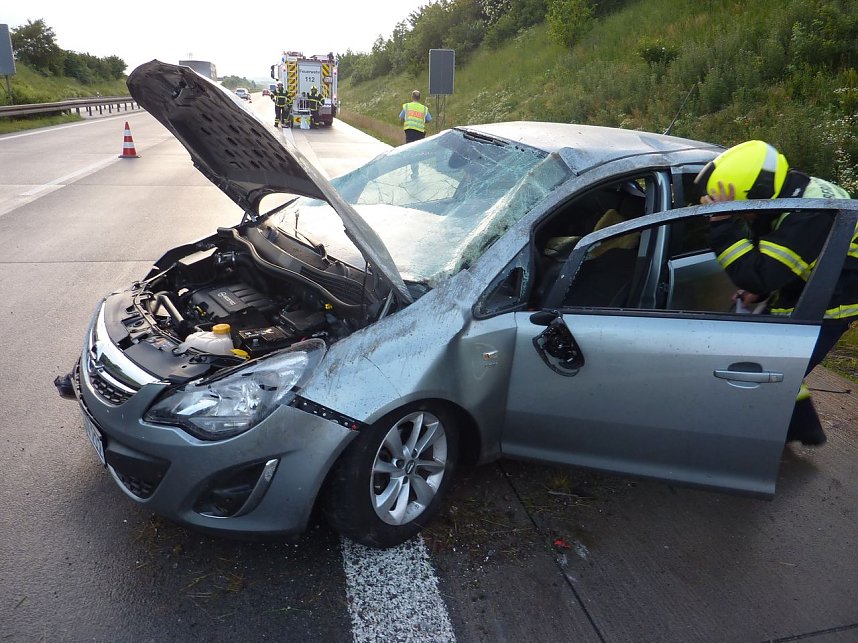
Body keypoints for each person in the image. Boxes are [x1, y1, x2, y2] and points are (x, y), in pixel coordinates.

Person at [695, 140, 855, 445]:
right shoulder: (794, 189)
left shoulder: (809, 214)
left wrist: (722, 224)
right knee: (775, 364)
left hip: (832, 303)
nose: (748, 218)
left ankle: (777, 436)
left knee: (768, 371)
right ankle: (803, 429)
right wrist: (762, 287)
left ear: (759, 195)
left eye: (746, 212)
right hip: (812, 283)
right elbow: (785, 256)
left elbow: (759, 276)